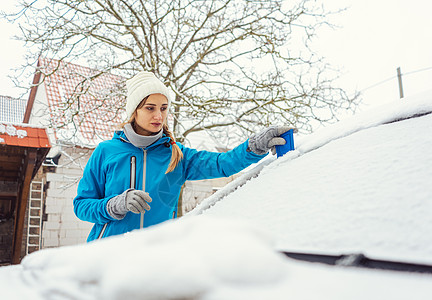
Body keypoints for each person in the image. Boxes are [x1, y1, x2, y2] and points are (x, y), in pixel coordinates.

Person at [73, 71, 293, 242]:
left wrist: (254, 146)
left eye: (164, 108)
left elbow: (223, 164)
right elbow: (82, 205)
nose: (159, 116)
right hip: (107, 254)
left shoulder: (177, 156)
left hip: (155, 256)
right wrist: (114, 205)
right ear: (134, 111)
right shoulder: (106, 151)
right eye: (150, 108)